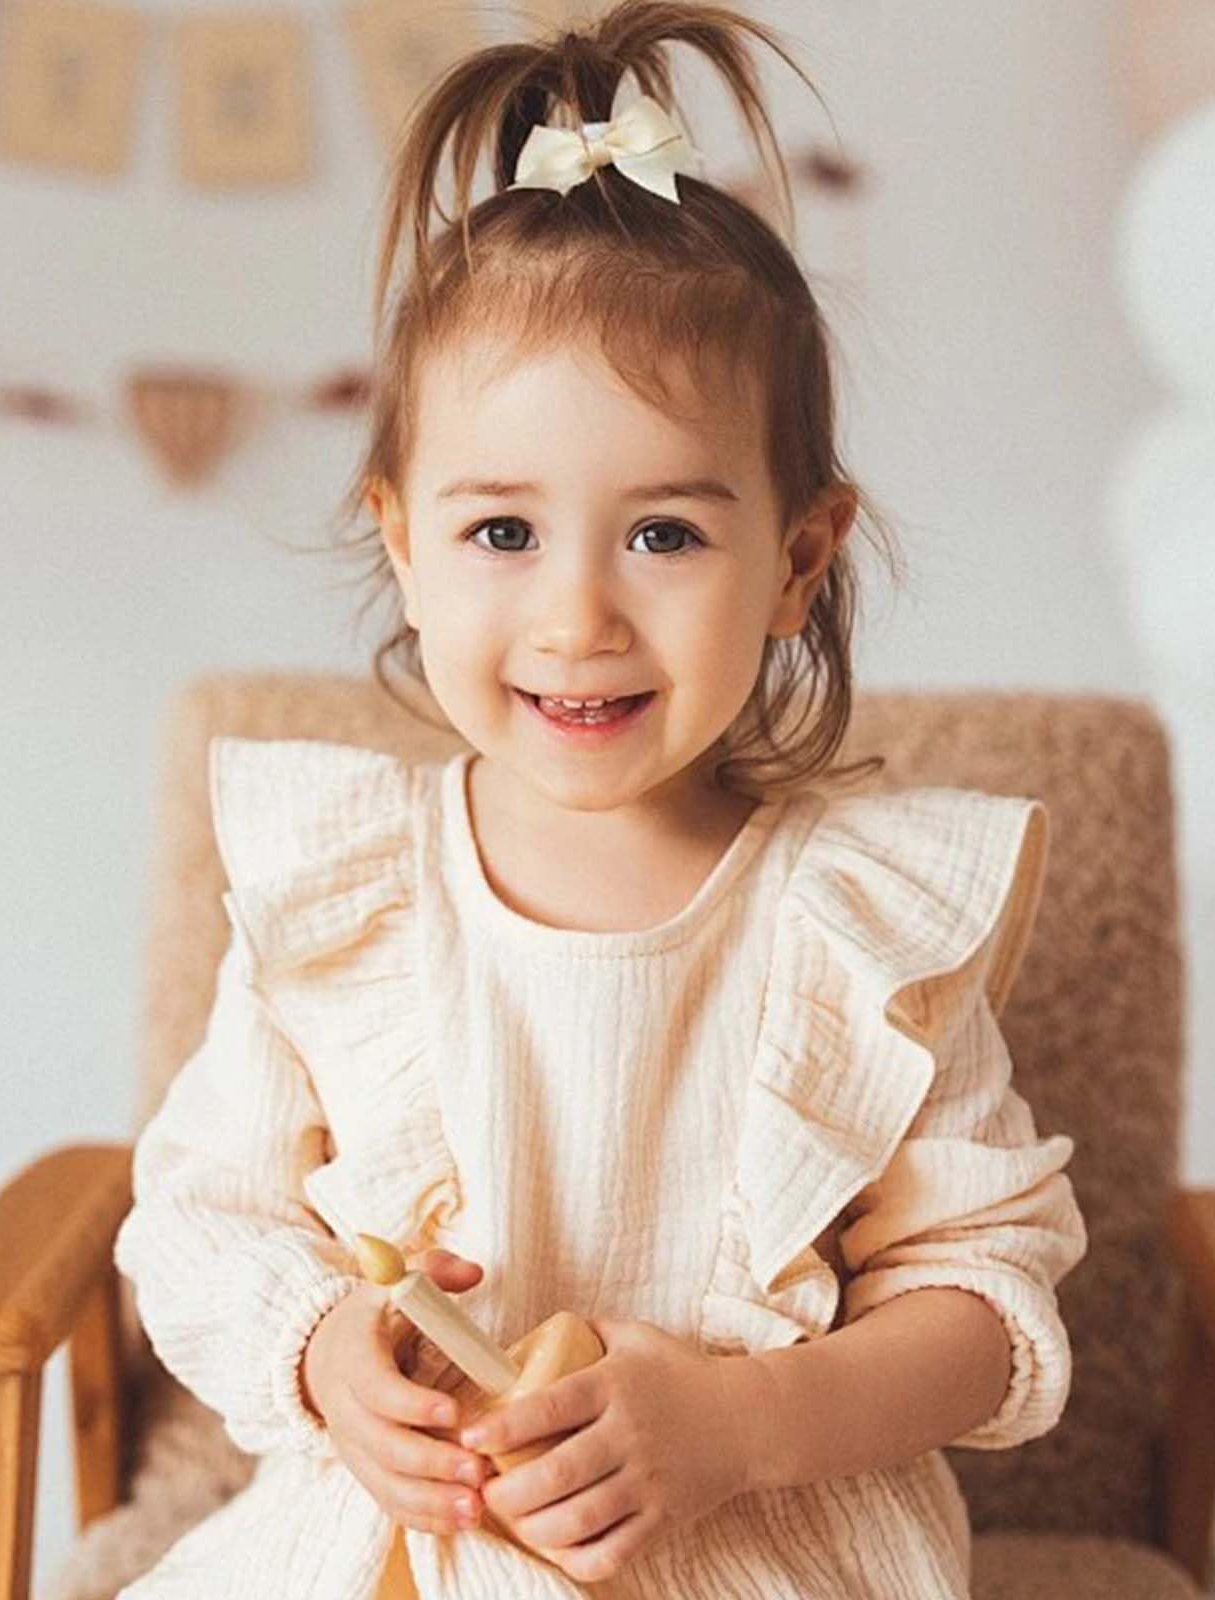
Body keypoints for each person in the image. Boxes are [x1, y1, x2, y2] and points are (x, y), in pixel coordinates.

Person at [112, 3, 1088, 1595]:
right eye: (503, 532)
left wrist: (745, 1422)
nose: (578, 618)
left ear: (797, 560)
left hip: (752, 1543)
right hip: (401, 1549)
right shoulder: (344, 889)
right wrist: (327, 1352)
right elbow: (198, 1219)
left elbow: (989, 1309)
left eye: (663, 535)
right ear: (403, 539)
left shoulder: (857, 930)